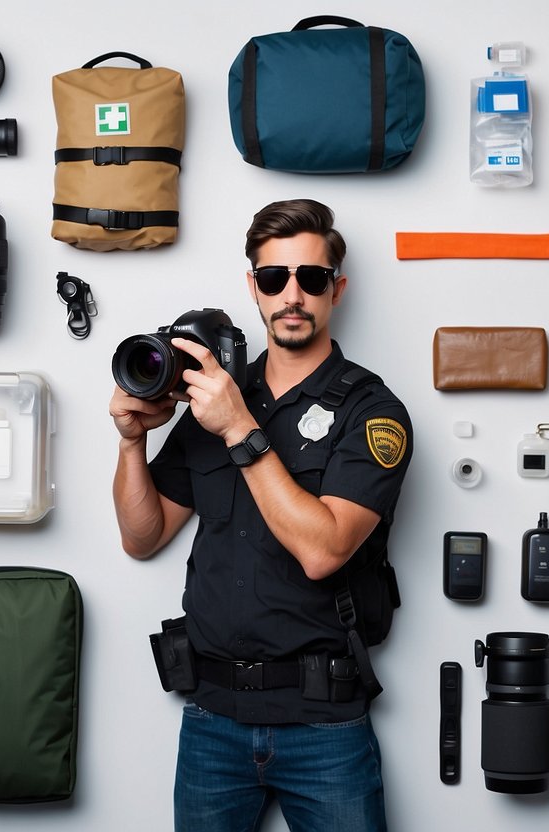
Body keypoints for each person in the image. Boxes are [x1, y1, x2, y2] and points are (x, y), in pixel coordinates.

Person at [110, 199, 412, 831]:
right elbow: (143, 536)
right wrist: (133, 441)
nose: (292, 295)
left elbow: (324, 549)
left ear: (337, 289)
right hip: (212, 719)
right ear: (254, 287)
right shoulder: (215, 397)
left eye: (311, 278)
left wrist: (240, 430)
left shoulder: (372, 412)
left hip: (324, 726)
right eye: (274, 279)